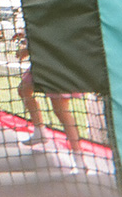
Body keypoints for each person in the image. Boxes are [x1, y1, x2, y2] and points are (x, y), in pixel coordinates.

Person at [15, 33, 87, 172]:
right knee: (24, 90)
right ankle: (39, 131)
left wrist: (28, 50)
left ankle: (79, 159)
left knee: (61, 111)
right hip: (42, 64)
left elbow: (50, 37)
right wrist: (25, 37)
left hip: (57, 66)